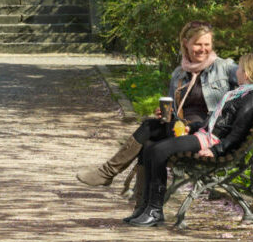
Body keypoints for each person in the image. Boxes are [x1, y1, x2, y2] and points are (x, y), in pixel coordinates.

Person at [77, 21, 238, 188]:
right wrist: (164, 115)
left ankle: (108, 173)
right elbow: (174, 112)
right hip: (181, 128)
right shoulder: (179, 73)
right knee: (149, 137)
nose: (203, 49)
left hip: (205, 132)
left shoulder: (224, 67)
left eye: (207, 44)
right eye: (198, 44)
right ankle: (141, 205)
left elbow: (249, 76)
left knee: (148, 132)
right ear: (185, 43)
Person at [124, 53, 253, 227]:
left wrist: (215, 151)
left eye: (239, 68)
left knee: (158, 150)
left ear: (246, 73)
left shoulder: (250, 98)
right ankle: (146, 207)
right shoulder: (239, 94)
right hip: (205, 135)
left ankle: (155, 210)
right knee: (150, 146)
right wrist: (192, 128)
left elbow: (237, 133)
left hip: (212, 143)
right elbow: (215, 121)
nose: (237, 71)